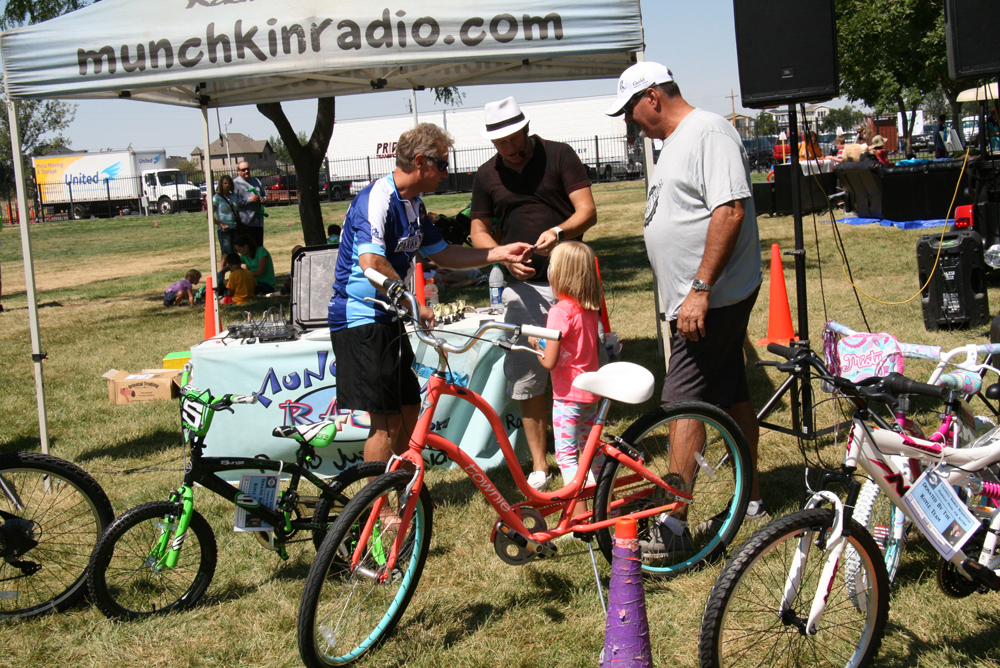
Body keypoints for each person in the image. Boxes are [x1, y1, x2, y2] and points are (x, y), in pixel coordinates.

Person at [606, 61, 764, 542]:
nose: (630, 120)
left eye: (630, 109)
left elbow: (730, 210)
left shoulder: (708, 131)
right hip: (701, 298)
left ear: (653, 96)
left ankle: (672, 520)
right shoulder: (676, 141)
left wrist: (700, 288)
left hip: (713, 298)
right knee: (733, 395)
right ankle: (751, 497)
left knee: (682, 401)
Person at [329, 122, 533, 468]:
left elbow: (443, 253)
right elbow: (371, 262)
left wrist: (499, 253)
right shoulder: (377, 199)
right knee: (386, 421)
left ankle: (401, 483)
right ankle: (380, 500)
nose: (446, 173)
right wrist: (413, 303)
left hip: (388, 318)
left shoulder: (414, 204)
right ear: (420, 161)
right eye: (442, 165)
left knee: (409, 407)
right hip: (360, 318)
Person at [469, 96, 597, 491]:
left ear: (526, 128)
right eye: (500, 143)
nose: (509, 148)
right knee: (528, 375)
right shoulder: (486, 174)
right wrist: (503, 258)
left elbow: (587, 211)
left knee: (584, 372)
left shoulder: (559, 155)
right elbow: (477, 230)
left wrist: (559, 232)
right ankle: (541, 465)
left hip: (572, 285)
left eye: (513, 139)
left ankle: (586, 455)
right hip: (521, 289)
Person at [528, 241, 602, 493]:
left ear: (560, 274)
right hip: (590, 394)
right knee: (592, 452)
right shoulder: (589, 308)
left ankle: (578, 512)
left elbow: (549, 360)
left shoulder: (559, 311)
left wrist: (535, 343)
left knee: (567, 458)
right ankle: (607, 506)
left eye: (551, 265)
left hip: (567, 397)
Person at [234, 161, 266, 247]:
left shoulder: (256, 181)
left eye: (247, 169)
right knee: (248, 248)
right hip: (245, 222)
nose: (246, 171)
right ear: (238, 171)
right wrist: (249, 200)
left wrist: (264, 199)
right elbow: (234, 202)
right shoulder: (235, 183)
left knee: (259, 247)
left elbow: (264, 195)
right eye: (243, 170)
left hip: (258, 221)